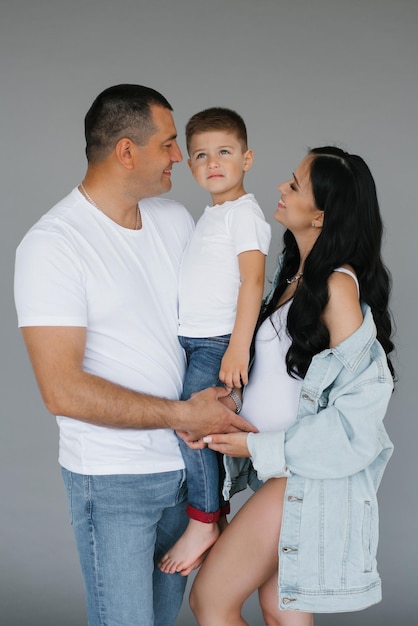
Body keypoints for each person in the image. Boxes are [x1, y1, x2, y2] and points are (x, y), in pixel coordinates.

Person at [13, 85, 255, 626]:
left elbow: (215, 322)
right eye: (170, 144)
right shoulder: (54, 245)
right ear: (127, 151)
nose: (179, 156)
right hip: (114, 481)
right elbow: (61, 390)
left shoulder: (174, 221)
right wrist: (184, 415)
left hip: (187, 476)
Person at [186, 146, 395, 625]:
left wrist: (257, 446)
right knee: (281, 614)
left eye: (295, 185)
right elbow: (283, 379)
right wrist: (229, 399)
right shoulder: (293, 276)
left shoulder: (337, 288)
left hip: (302, 479)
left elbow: (356, 416)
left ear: (320, 215)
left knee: (211, 602)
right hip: (282, 474)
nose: (281, 188)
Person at [158, 107, 271, 576]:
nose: (212, 162)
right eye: (201, 155)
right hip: (192, 339)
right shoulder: (211, 214)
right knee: (188, 426)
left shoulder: (244, 214)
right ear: (189, 164)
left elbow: (253, 281)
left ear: (247, 158)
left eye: (224, 152)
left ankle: (205, 519)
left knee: (196, 425)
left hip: (218, 341)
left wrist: (237, 348)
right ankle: (210, 512)